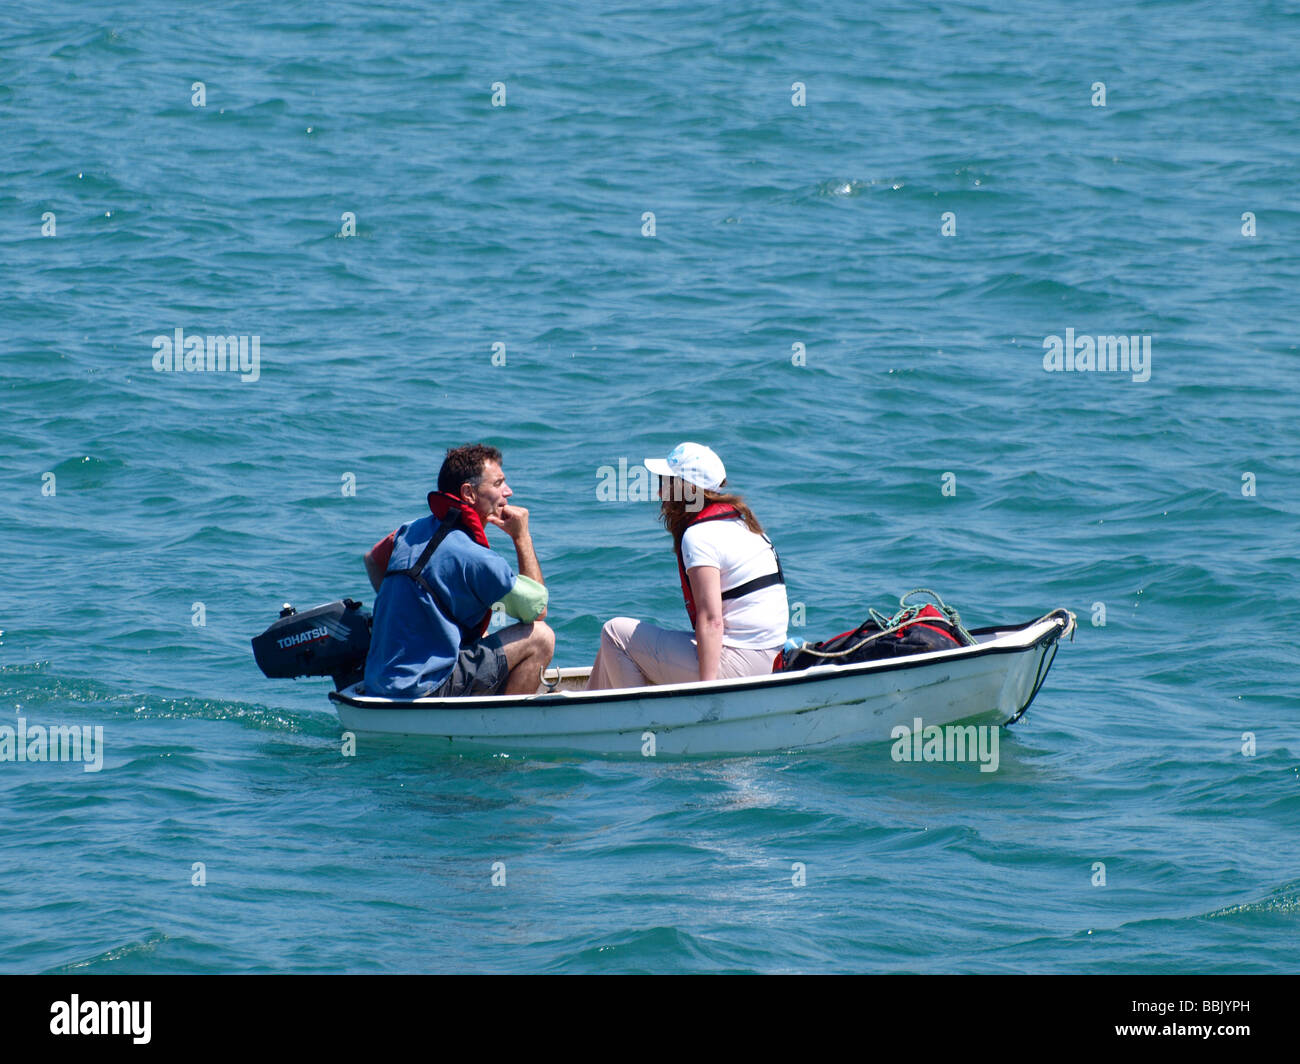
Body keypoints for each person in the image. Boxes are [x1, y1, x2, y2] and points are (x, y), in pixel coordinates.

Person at [586, 442, 787, 690]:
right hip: (771, 659)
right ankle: (583, 717)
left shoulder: (700, 536)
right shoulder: (743, 525)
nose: (660, 493)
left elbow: (712, 620)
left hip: (743, 666)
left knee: (614, 633)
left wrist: (707, 693)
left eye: (665, 482)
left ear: (687, 488)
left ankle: (634, 724)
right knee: (609, 652)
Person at [362, 443, 554, 698]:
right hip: (426, 687)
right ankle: (505, 725)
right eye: (498, 484)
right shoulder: (476, 558)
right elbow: (537, 610)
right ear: (468, 493)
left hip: (380, 680)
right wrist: (522, 538)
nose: (509, 491)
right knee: (540, 637)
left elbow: (372, 560)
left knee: (481, 632)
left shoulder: (409, 531)